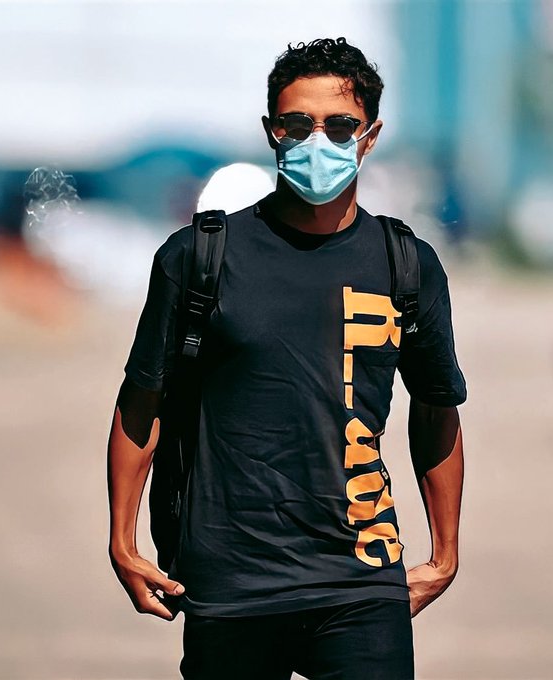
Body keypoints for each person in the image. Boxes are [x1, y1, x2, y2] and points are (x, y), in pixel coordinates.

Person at [107, 37, 467, 680]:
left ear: (370, 136)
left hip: (360, 581)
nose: (317, 141)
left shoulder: (405, 264)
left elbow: (437, 408)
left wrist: (445, 553)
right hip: (230, 583)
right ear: (271, 131)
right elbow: (142, 402)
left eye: (340, 125)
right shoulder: (199, 257)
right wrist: (123, 539)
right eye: (297, 124)